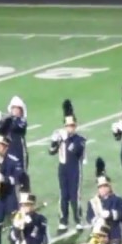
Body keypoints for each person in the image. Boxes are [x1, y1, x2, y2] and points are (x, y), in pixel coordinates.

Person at [51, 100, 87, 233]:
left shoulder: (80, 139)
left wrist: (65, 139)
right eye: (68, 125)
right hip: (63, 169)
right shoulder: (61, 137)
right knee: (63, 195)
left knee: (74, 195)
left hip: (74, 170)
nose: (70, 128)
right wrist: (55, 141)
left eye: (72, 125)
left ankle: (78, 220)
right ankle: (63, 221)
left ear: (75, 126)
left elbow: (76, 150)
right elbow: (51, 151)